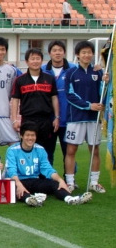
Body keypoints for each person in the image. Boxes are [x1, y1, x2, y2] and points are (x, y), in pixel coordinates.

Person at [5, 122, 92, 207]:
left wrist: (60, 180)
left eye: (33, 135)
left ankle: (70, 199)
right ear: (21, 136)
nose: (30, 138)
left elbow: (47, 169)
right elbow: (11, 170)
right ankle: (30, 200)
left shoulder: (40, 149)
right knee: (14, 187)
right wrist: (19, 184)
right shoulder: (12, 150)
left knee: (55, 184)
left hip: (34, 180)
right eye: (27, 135)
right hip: (18, 181)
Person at [64, 41, 107, 193]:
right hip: (75, 118)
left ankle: (94, 182)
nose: (87, 55)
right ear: (78, 55)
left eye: (89, 52)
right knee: (71, 150)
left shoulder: (98, 72)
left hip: (93, 119)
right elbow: (69, 95)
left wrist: (105, 83)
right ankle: (69, 182)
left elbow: (103, 93)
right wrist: (89, 105)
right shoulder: (71, 73)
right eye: (84, 52)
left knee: (95, 150)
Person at [11, 48, 59, 164]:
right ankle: (30, 178)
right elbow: (15, 100)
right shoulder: (20, 80)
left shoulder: (49, 78)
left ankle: (46, 178)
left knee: (47, 151)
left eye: (38, 58)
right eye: (32, 59)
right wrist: (14, 120)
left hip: (46, 120)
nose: (35, 61)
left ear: (42, 61)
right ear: (27, 61)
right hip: (28, 120)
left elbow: (54, 98)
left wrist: (57, 117)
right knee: (28, 150)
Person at [41, 40, 76, 170]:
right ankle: (48, 178)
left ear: (64, 52)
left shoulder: (73, 69)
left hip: (68, 118)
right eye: (54, 50)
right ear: (49, 53)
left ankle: (70, 179)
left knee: (69, 151)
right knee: (47, 152)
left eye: (60, 50)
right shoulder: (42, 70)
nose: (57, 53)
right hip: (48, 120)